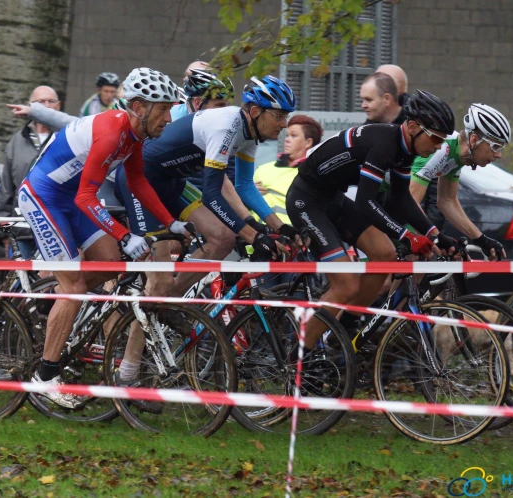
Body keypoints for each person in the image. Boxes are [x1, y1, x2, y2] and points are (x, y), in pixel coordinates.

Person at [19, 67, 190, 408]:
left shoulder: (135, 135)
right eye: (164, 109)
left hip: (69, 198)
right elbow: (86, 197)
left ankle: (60, 298)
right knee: (75, 288)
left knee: (112, 265)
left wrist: (172, 222)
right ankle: (46, 375)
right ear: (140, 107)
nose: (170, 118)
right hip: (44, 196)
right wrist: (125, 234)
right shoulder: (113, 132)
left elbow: (139, 182)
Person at [286, 90, 456, 347]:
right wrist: (405, 235)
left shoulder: (405, 149)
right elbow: (366, 202)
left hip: (333, 199)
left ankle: (340, 335)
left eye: (442, 141)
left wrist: (435, 233)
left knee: (385, 255)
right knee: (346, 284)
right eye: (434, 138)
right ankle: (299, 358)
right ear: (412, 127)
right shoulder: (385, 143)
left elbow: (401, 198)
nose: (437, 147)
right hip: (306, 201)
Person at [115, 75, 297, 300]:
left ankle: (171, 301)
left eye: (286, 116)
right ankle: (156, 303)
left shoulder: (251, 134)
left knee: (223, 237)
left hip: (172, 181)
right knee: (159, 282)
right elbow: (212, 195)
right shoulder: (227, 126)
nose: (284, 124)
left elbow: (244, 186)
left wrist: (278, 226)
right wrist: (253, 235)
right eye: (279, 116)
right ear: (255, 112)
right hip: (140, 180)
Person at [410, 104, 510, 259]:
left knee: (424, 256)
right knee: (390, 271)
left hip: (395, 202)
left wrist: (481, 239)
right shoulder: (442, 149)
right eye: (495, 146)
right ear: (474, 139)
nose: (499, 155)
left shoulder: (457, 157)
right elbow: (411, 202)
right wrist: (437, 237)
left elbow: (447, 201)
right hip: (378, 196)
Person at [0, 86, 69, 259]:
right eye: (40, 102)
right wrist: (2, 227)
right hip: (22, 227)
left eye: (51, 101)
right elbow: (7, 187)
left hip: (56, 227)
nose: (46, 106)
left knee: (52, 282)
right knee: (19, 281)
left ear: (58, 106)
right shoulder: (17, 141)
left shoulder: (68, 138)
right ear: (30, 105)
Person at [254, 115, 323, 223]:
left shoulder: (315, 176)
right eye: (287, 135)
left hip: (295, 237)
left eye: (293, 136)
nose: (287, 139)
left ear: (308, 142)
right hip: (257, 235)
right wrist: (248, 194)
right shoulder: (262, 169)